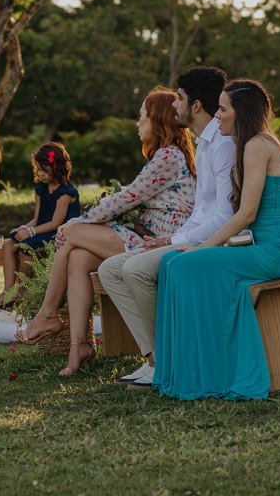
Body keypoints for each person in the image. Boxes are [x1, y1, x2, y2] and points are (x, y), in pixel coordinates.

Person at [14, 87, 196, 377]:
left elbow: (127, 198)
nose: (138, 122)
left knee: (72, 235)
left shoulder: (168, 157)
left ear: (157, 120)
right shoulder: (166, 156)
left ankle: (47, 315)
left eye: (142, 116)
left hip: (160, 244)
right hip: (146, 237)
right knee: (78, 258)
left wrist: (75, 222)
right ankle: (80, 346)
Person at [153, 79, 280, 400]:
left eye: (223, 109)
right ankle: (180, 370)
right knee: (170, 261)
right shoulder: (249, 145)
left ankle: (212, 372)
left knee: (183, 265)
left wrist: (203, 247)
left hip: (277, 251)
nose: (217, 115)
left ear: (242, 112)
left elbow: (246, 214)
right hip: (256, 248)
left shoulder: (257, 145)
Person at [97, 66, 233, 389]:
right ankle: (155, 357)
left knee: (135, 270)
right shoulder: (205, 144)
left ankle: (168, 359)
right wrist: (170, 239)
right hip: (192, 235)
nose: (174, 105)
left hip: (216, 242)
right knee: (109, 270)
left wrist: (175, 240)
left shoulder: (223, 145)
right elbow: (201, 211)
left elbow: (224, 216)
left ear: (196, 105)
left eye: (180, 98)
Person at [0, 142, 79, 309]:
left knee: (26, 248)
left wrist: (30, 232)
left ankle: (22, 292)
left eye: (45, 170)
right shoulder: (41, 188)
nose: (40, 173)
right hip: (41, 229)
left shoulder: (66, 192)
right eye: (38, 169)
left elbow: (56, 223)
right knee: (9, 244)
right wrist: (24, 228)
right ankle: (7, 290)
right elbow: (38, 218)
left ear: (57, 168)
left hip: (59, 233)